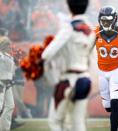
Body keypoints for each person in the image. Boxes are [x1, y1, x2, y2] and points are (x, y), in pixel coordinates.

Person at [41, 0, 95, 131]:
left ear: (69, 7)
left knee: (55, 122)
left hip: (68, 80)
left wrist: (49, 73)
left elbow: (46, 55)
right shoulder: (92, 29)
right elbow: (90, 58)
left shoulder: (68, 27)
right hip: (85, 79)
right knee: (78, 123)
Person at [0, 28, 15, 131]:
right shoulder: (0, 55)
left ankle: (4, 129)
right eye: (8, 44)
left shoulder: (10, 57)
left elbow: (11, 72)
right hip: (0, 83)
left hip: (7, 84)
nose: (10, 46)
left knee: (10, 106)